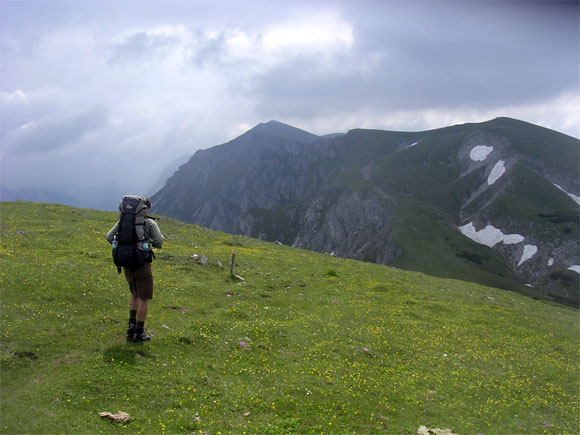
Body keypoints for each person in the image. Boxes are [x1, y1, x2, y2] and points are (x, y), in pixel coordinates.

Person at [106, 196, 165, 342]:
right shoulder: (149, 223)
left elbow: (109, 236)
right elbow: (159, 241)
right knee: (144, 298)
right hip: (142, 263)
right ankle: (139, 332)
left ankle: (131, 327)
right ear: (145, 209)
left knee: (134, 294)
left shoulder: (123, 221)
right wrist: (148, 242)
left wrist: (124, 247)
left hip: (126, 262)